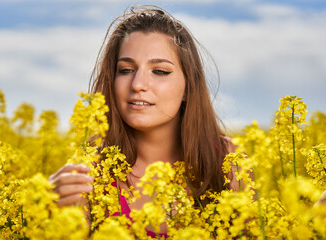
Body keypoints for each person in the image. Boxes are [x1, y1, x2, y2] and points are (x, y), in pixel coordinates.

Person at [48, 5, 238, 235]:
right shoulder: (90, 171)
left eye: (160, 71)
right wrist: (51, 214)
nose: (137, 84)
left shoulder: (227, 160)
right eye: (126, 70)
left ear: (189, 87)